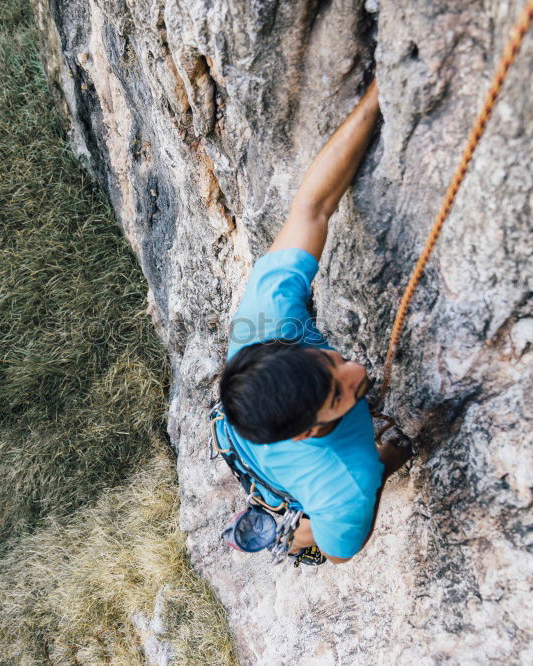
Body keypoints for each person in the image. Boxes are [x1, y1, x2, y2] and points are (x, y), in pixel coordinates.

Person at [215, 80, 412, 565]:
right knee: (307, 535)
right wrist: (384, 463)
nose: (357, 371)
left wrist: (382, 90)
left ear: (286, 345)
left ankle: (271, 503)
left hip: (243, 432)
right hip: (302, 477)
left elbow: (314, 206)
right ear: (307, 430)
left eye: (332, 360)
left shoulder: (269, 316)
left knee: (277, 474)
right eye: (340, 395)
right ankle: (289, 532)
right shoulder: (346, 480)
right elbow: (339, 553)